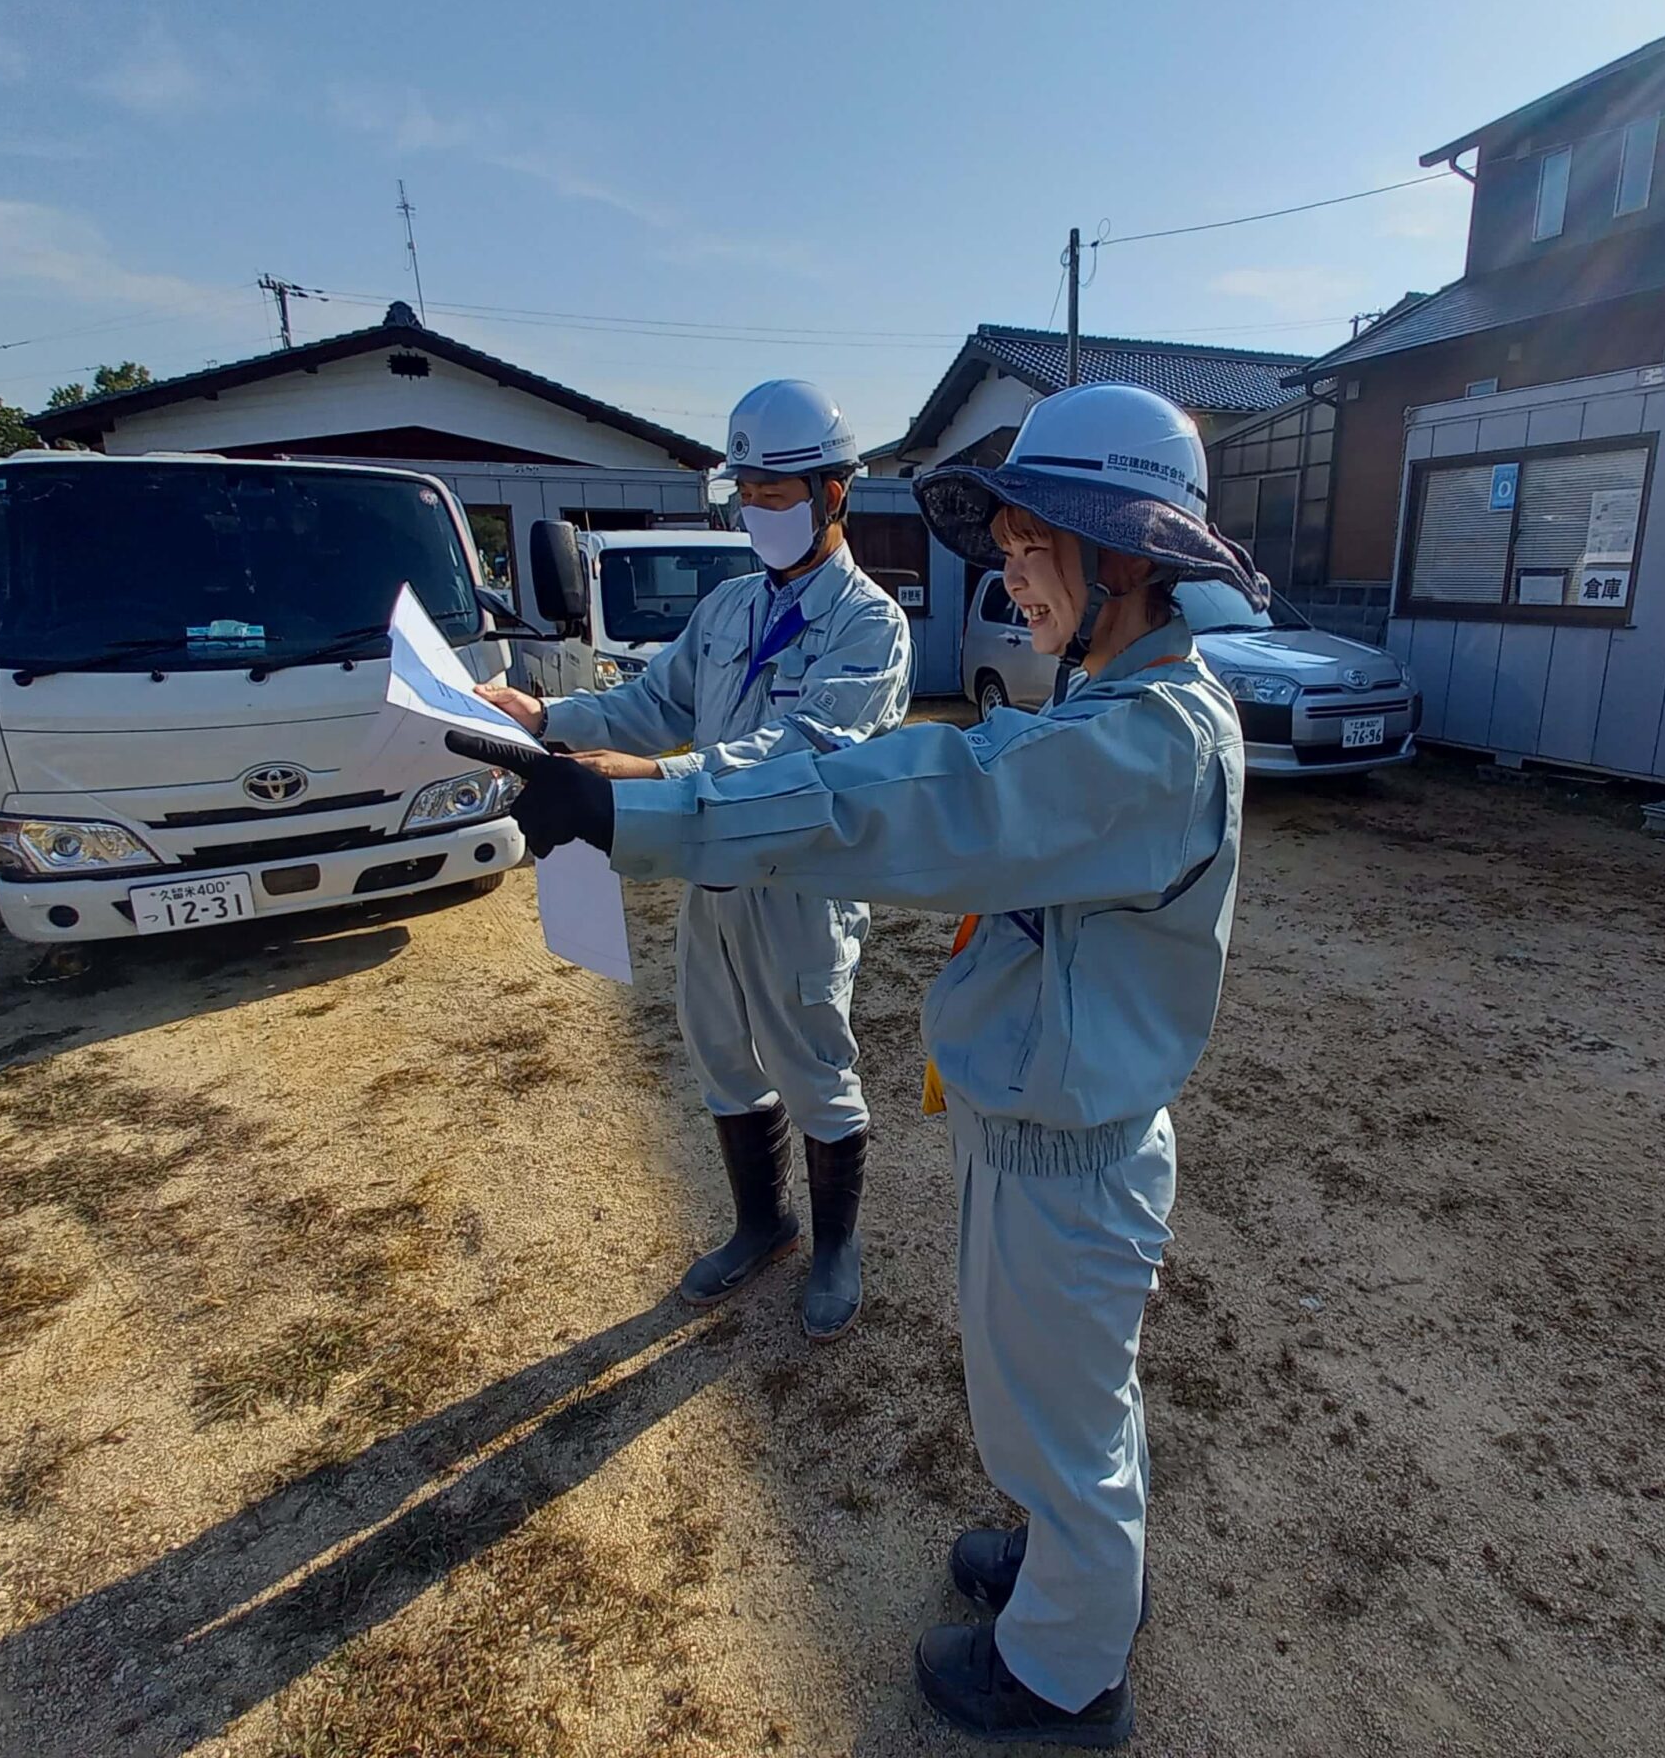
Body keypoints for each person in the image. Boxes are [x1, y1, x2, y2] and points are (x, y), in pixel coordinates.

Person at [452, 382, 1257, 1746]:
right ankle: (1067, 1566)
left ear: (1126, 559)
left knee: (1063, 1416)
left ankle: (1067, 1673)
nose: (1008, 569)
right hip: (1042, 1142)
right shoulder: (1120, 712)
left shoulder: (1144, 741)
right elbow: (948, 782)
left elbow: (914, 792)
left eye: (1033, 541)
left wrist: (622, 812)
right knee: (1044, 1397)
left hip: (1070, 1159)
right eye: (1005, 540)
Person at [476, 379, 911, 1342]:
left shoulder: (871, 626)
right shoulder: (726, 611)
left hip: (800, 883)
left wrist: (661, 772)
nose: (758, 511)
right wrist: (547, 718)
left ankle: (837, 1244)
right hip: (710, 874)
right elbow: (650, 704)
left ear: (835, 493)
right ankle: (762, 1222)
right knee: (721, 1052)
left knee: (810, 1059)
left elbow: (809, 750)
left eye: (777, 494)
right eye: (746, 492)